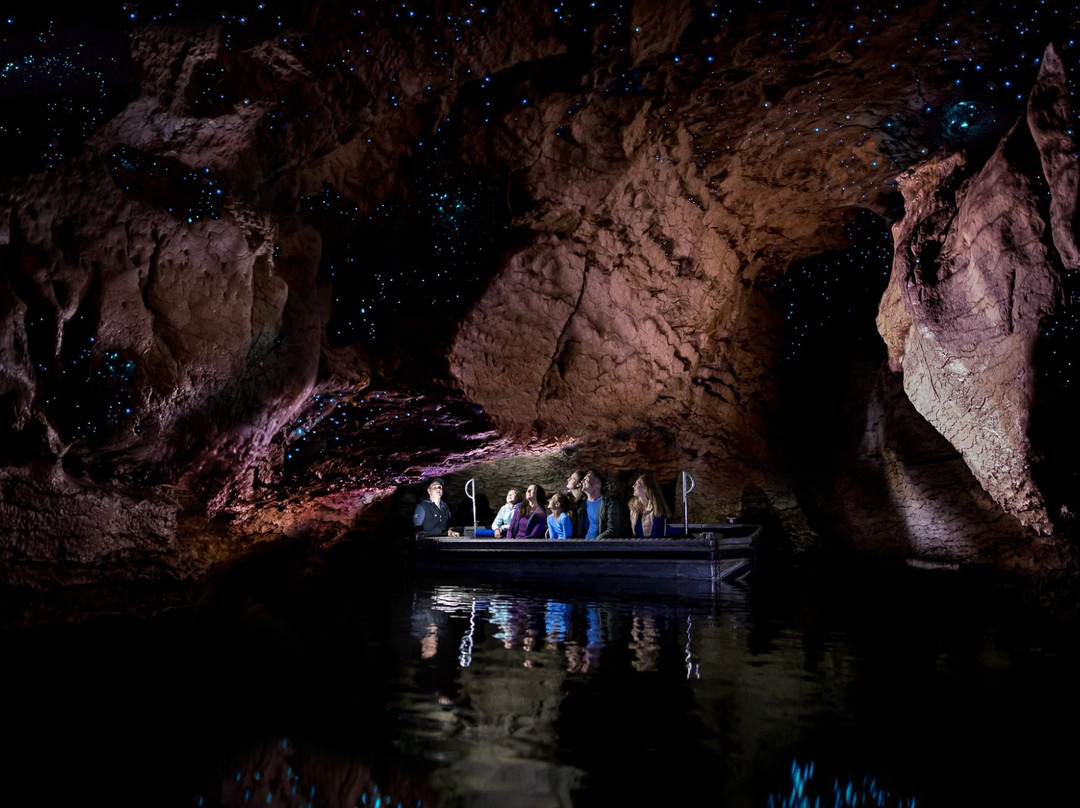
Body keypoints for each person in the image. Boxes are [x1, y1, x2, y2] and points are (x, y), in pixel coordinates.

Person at [572, 470, 624, 539]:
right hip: (584, 545)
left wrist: (596, 542)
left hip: (601, 546)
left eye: (586, 478)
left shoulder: (610, 503)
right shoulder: (581, 504)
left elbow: (614, 529)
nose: (582, 481)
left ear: (597, 483)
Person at [627, 473, 673, 538]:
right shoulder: (634, 508)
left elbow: (657, 534)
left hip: (652, 545)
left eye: (637, 484)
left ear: (645, 488)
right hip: (637, 545)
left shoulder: (657, 508)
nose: (633, 486)